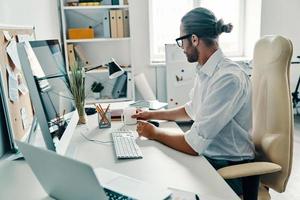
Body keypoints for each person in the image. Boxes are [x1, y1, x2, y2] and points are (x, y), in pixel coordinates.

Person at [132, 7, 258, 198]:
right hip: (211, 158)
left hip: (231, 168)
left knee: (160, 177)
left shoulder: (228, 78)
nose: (181, 47)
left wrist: (154, 132)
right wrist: (152, 114)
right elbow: (191, 110)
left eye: (181, 40)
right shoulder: (206, 70)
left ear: (194, 39)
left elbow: (193, 145)